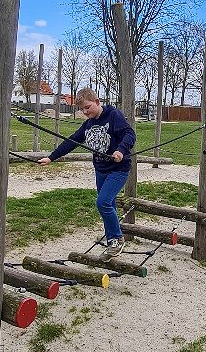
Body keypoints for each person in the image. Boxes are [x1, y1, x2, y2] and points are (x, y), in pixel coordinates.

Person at [38, 88, 136, 259]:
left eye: (88, 107)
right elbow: (72, 141)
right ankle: (112, 243)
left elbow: (129, 134)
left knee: (103, 203)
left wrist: (120, 150)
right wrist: (51, 158)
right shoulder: (89, 124)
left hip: (118, 169)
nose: (85, 112)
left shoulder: (113, 115)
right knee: (109, 205)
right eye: (82, 109)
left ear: (97, 102)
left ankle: (117, 239)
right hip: (101, 170)